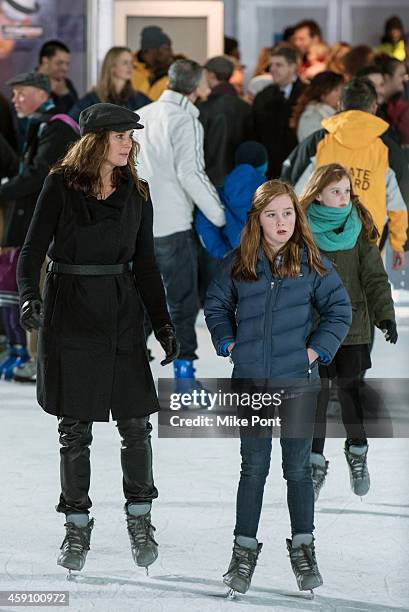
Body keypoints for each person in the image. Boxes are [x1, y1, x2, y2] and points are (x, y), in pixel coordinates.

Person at [16, 103, 179, 575]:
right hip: (70, 311)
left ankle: (140, 518)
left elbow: (147, 265)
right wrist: (30, 296)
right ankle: (76, 524)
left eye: (132, 137)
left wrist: (163, 323)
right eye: (122, 136)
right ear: (96, 142)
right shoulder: (60, 185)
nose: (130, 144)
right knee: (75, 429)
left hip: (122, 311)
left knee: (135, 423)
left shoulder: (137, 192)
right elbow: (31, 252)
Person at [204, 180, 352, 596]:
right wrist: (229, 342)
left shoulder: (311, 263)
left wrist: (315, 351)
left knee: (298, 469)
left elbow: (340, 309)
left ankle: (304, 549)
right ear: (257, 220)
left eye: (287, 212)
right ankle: (243, 553)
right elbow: (216, 305)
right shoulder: (240, 263)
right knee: (253, 468)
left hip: (297, 381)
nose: (281, 221)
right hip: (251, 379)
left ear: (296, 216)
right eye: (272, 214)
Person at [299, 163, 396, 500]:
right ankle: (314, 463)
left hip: (354, 328)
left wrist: (385, 315)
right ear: (318, 193)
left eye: (346, 191)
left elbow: (373, 275)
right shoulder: (302, 230)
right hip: (314, 329)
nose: (343, 198)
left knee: (350, 391)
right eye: (335, 191)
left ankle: (357, 453)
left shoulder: (358, 227)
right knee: (318, 394)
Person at [136, 59, 225, 386]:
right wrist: (218, 215)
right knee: (182, 303)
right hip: (174, 225)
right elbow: (191, 174)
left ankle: (129, 370)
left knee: (143, 300)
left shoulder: (142, 115)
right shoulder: (186, 120)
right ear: (196, 86)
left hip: (141, 225)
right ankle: (184, 376)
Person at [0, 72, 79, 381]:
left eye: (21, 93)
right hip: (36, 223)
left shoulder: (57, 128)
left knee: (41, 291)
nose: (16, 100)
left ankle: (40, 360)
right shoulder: (42, 125)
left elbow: (37, 176)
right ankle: (35, 357)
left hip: (48, 227)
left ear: (41, 94)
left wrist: (4, 190)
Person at [281, 78, 409, 267]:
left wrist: (287, 238)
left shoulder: (317, 143)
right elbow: (400, 202)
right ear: (374, 107)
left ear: (340, 105)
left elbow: (291, 191)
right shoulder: (388, 150)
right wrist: (399, 243)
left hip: (319, 245)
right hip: (368, 246)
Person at [195, 141, 268, 259]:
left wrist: (223, 253)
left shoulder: (218, 193)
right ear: (264, 165)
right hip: (265, 260)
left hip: (232, 262)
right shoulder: (273, 192)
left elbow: (204, 225)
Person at [198, 55, 253, 187]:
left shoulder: (203, 108)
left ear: (211, 75)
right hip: (239, 180)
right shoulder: (245, 107)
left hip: (208, 181)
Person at [253, 44, 305, 178]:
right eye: (271, 65)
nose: (273, 69)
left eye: (279, 65)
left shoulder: (306, 95)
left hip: (299, 169)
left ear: (293, 67)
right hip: (270, 171)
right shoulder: (263, 96)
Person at [69, 47, 150, 122]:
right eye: (125, 63)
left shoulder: (138, 98)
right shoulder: (93, 98)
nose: (130, 66)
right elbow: (70, 122)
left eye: (131, 63)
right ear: (112, 66)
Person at [291, 71, 344, 141]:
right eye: (336, 89)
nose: (341, 93)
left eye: (342, 89)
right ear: (323, 93)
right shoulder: (311, 117)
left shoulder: (335, 113)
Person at [374, 54, 409, 145]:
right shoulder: (376, 106)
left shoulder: (395, 104)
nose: (405, 79)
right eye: (401, 75)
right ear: (386, 77)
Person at [132, 26, 173, 101]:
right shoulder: (129, 70)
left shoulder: (171, 72)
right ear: (152, 50)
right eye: (166, 48)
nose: (171, 53)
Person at [37, 40, 78, 114]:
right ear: (45, 61)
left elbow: (77, 116)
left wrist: (64, 94)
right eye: (59, 63)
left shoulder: (66, 84)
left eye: (67, 64)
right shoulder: (27, 86)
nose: (65, 68)